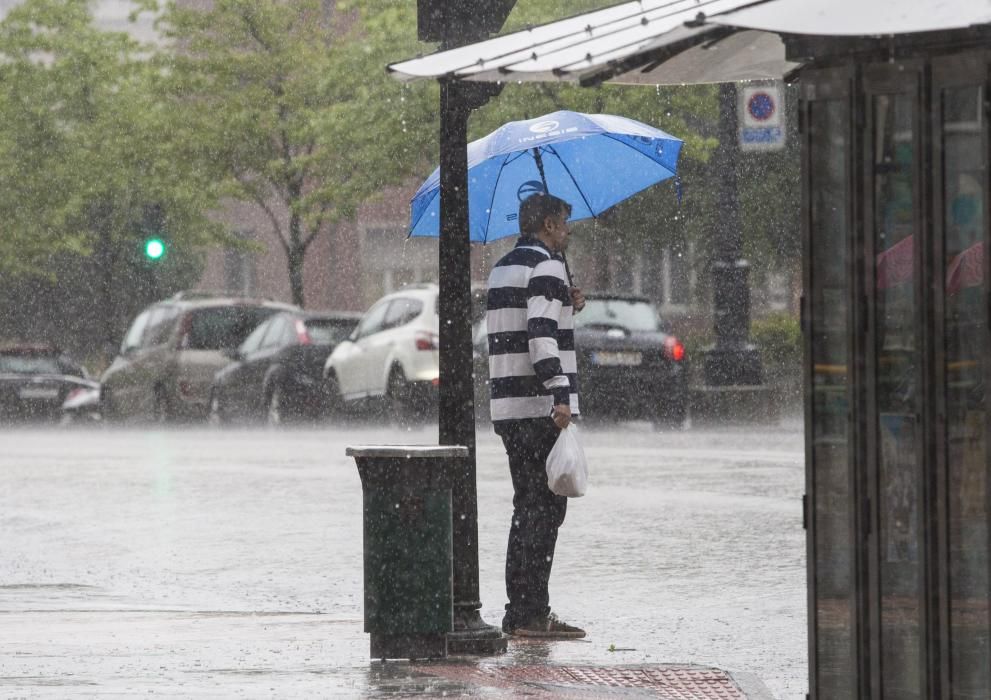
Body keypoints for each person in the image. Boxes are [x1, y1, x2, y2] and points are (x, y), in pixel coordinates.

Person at [485, 192, 587, 638]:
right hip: (539, 407)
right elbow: (541, 338)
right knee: (546, 510)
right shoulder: (547, 267)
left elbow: (525, 319)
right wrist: (560, 391)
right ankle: (532, 613)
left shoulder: (502, 267)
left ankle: (519, 610)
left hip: (508, 407)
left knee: (525, 506)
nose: (567, 231)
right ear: (547, 225)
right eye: (564, 223)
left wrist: (568, 301)